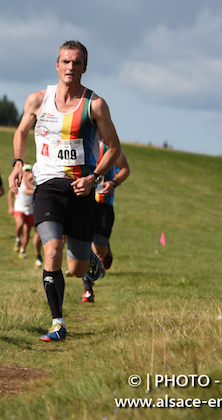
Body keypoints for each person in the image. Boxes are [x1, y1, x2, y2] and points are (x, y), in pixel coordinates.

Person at [9, 40, 121, 342]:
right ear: (57, 65)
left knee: (76, 267)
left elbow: (114, 147)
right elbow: (21, 131)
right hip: (47, 187)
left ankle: (92, 264)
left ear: (85, 67)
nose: (71, 67)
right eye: (66, 62)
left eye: (77, 63)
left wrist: (94, 178)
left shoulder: (94, 105)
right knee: (52, 249)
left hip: (81, 189)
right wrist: (19, 162)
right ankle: (57, 322)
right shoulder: (37, 100)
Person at [82, 144, 130, 303]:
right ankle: (87, 289)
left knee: (100, 249)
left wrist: (114, 183)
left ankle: (106, 254)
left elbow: (125, 169)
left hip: (104, 203)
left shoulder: (111, 147)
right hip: (84, 200)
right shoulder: (83, 139)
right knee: (84, 243)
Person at [7, 163, 43, 266]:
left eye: (29, 170)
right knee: (20, 223)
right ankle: (18, 238)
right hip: (19, 208)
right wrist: (10, 206)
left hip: (30, 210)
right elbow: (11, 193)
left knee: (27, 232)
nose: (27, 172)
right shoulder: (20, 181)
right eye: (25, 170)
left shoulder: (35, 182)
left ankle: (22, 249)